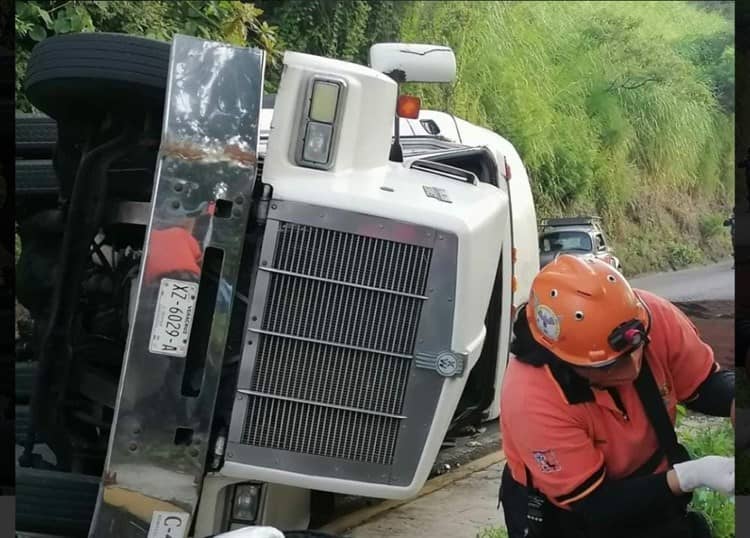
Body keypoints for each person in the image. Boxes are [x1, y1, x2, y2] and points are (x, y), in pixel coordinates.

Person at [499, 254, 734, 538]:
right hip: (574, 512)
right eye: (611, 365)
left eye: (638, 349)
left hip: (653, 481)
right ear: (568, 361)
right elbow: (593, 504)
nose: (634, 365)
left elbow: (704, 385)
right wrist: (690, 476)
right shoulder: (531, 398)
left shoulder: (650, 315)